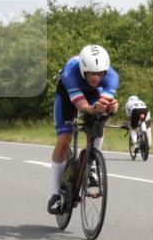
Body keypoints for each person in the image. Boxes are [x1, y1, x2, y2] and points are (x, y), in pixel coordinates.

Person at [48, 45, 119, 215]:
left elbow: (104, 105)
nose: (96, 77)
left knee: (98, 121)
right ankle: (55, 194)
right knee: (64, 140)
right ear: (82, 69)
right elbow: (83, 107)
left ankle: (91, 166)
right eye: (91, 73)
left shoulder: (112, 77)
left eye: (100, 74)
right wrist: (94, 108)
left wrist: (111, 107)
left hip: (93, 96)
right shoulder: (70, 73)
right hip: (67, 98)